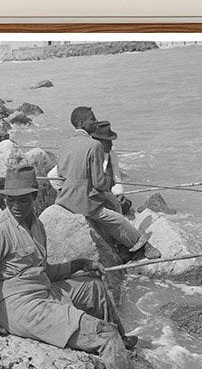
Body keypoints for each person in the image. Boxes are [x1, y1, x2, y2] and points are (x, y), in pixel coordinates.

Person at [0, 163, 187, 369]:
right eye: (10, 200)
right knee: (104, 334)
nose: (16, 205)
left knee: (94, 287)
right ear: (4, 198)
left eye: (23, 199)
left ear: (34, 196)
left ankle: (121, 349)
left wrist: (78, 264)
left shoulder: (37, 225)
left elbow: (43, 271)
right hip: (21, 307)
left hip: (41, 289)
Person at [55, 106, 160, 260]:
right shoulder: (94, 146)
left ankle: (120, 246)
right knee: (116, 219)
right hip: (82, 202)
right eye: (92, 119)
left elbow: (60, 172)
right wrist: (108, 181)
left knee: (112, 205)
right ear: (82, 123)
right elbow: (98, 183)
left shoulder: (65, 144)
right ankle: (142, 244)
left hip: (64, 198)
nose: (96, 121)